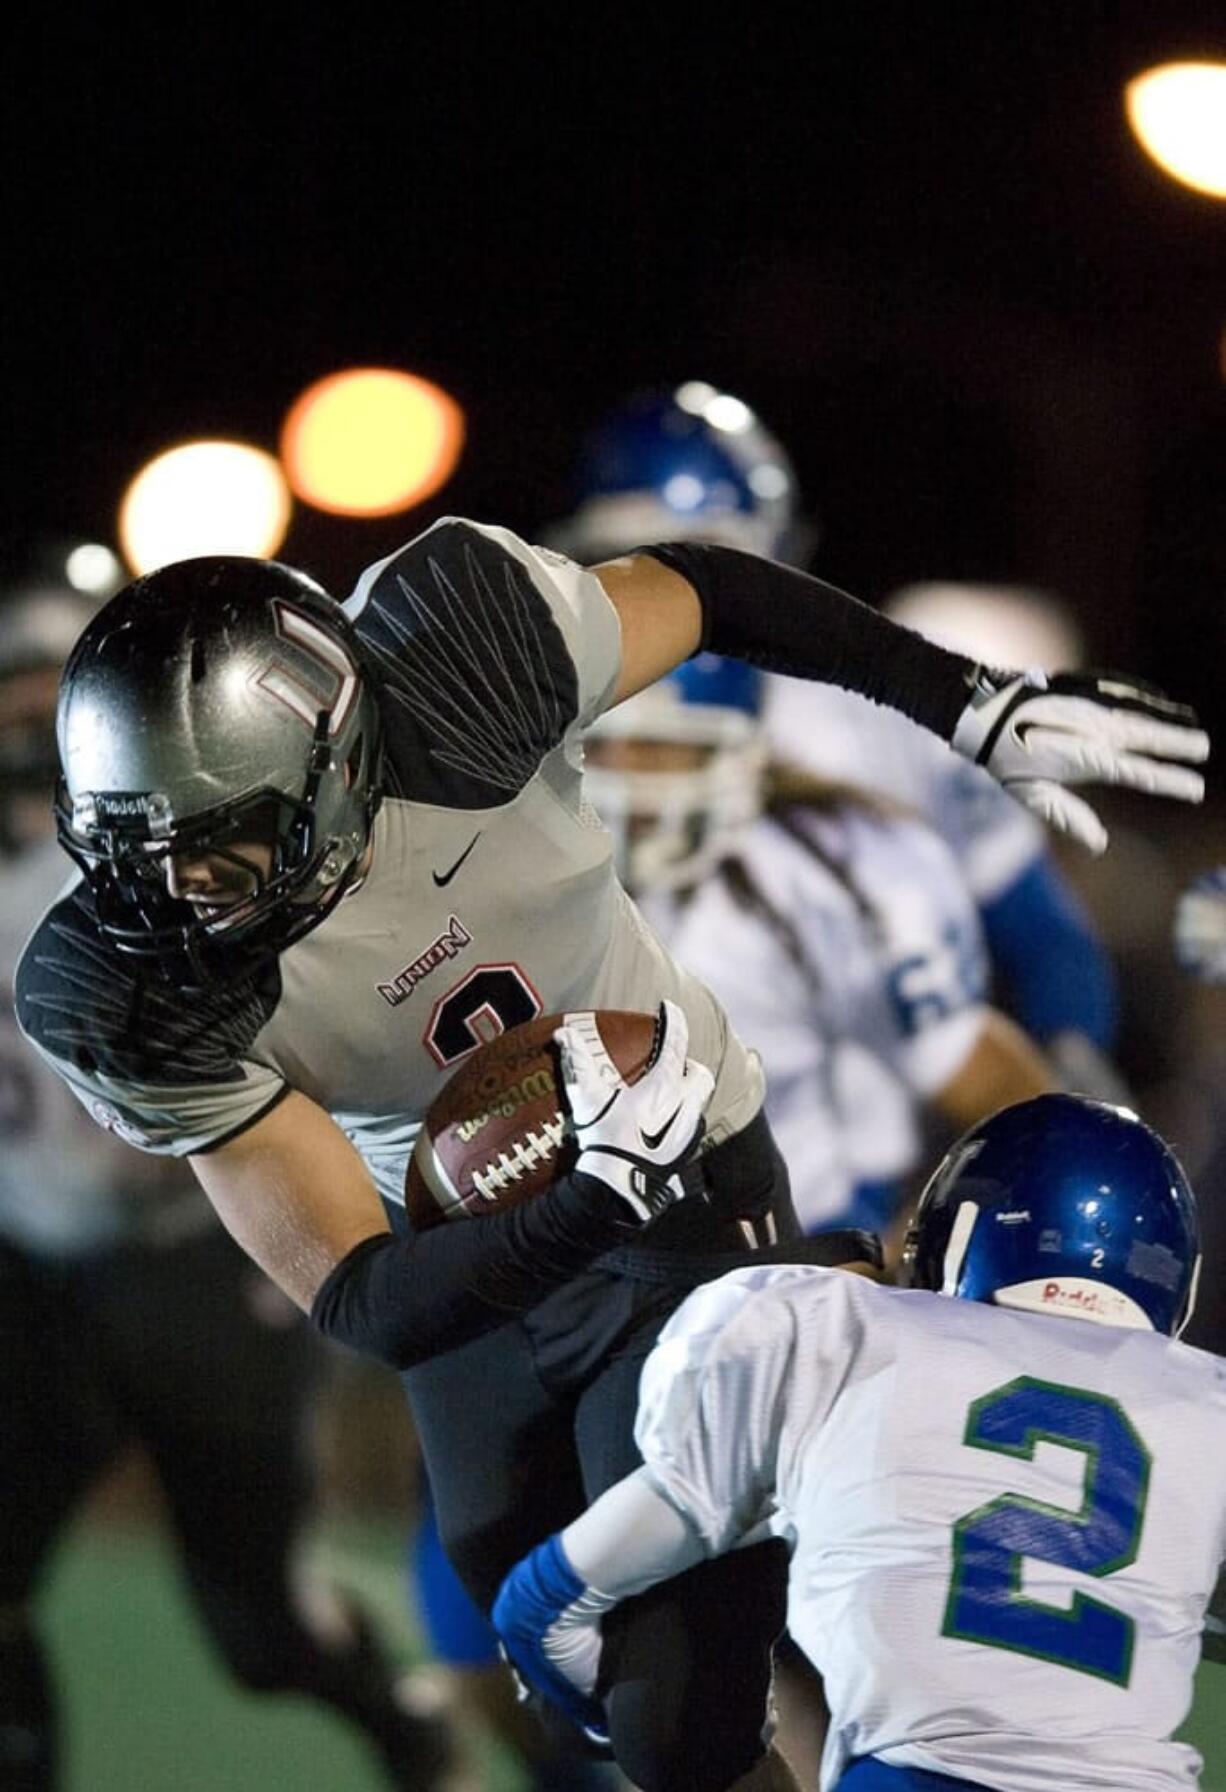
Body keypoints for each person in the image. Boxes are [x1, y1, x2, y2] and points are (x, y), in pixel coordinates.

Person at [15, 515, 1207, 1792]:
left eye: (222, 844)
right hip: (465, 1254)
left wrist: (962, 703)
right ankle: (837, 1315)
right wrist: (576, 1197)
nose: (183, 895)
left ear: (336, 762)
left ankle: (827, 1355)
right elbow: (363, 1298)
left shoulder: (464, 657)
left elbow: (705, 588)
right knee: (525, 1645)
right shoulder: (121, 988)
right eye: (142, 855)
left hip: (686, 1178)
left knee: (672, 1720)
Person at [0, 578, 459, 1792]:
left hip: (195, 1258)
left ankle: (400, 1720)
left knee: (263, 1633)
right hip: (27, 1269)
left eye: (45, 708)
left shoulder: (187, 863)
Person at [493, 1092, 1226, 1792]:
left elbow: (543, 1606)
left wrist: (600, 1719)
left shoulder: (842, 1336)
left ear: (958, 1234)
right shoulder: (1205, 1404)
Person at [552, 383, 1126, 1100]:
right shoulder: (541, 721)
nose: (685, 594)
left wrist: (1064, 1087)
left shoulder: (880, 729)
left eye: (715, 562)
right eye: (629, 558)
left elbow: (1042, 939)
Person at [582, 653, 1057, 1245]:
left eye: (654, 750)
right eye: (600, 749)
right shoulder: (527, 873)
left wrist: (908, 1260)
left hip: (811, 1246)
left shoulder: (837, 878)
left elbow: (992, 1087)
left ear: (736, 749)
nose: (624, 781)